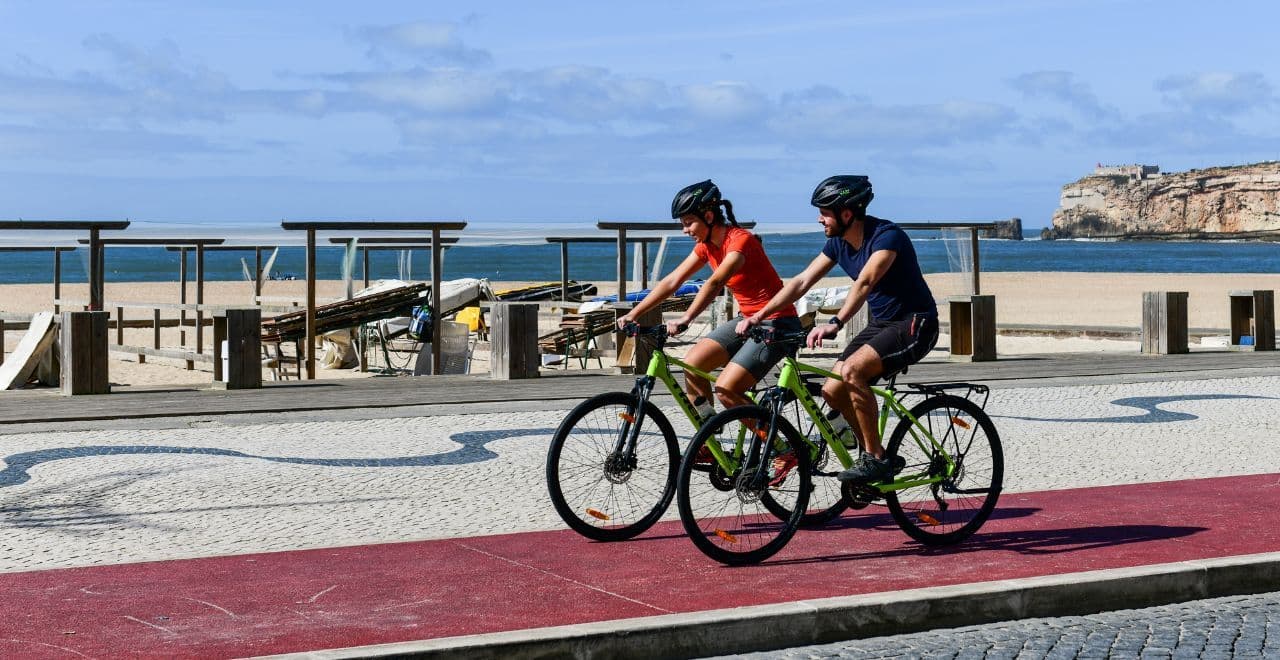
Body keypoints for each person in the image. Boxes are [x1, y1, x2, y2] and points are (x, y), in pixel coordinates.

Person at [737, 175, 939, 484]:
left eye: (825, 212)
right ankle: (872, 455)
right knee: (832, 390)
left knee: (853, 371)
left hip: (916, 323)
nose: (820, 219)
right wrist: (759, 315)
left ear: (847, 213)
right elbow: (803, 281)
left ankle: (875, 458)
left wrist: (836, 322)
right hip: (882, 324)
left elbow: (865, 282)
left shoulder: (887, 237)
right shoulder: (837, 243)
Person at [616, 179, 802, 422]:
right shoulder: (707, 246)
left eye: (688, 223)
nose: (685, 230)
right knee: (693, 365)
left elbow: (715, 283)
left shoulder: (740, 241)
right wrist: (634, 313)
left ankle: (781, 445)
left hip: (777, 323)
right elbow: (673, 281)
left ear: (709, 216)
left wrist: (686, 318)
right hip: (746, 320)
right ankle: (708, 438)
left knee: (727, 390)